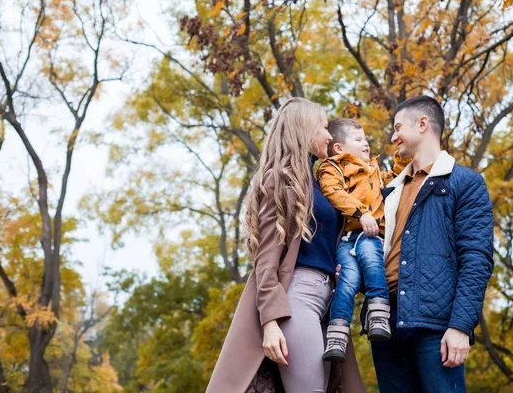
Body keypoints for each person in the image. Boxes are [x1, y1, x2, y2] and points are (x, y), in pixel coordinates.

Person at [205, 98, 365, 393]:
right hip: (297, 299)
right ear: (304, 129)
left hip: (329, 304)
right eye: (322, 127)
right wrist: (270, 322)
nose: (329, 136)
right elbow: (265, 259)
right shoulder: (282, 180)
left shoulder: (322, 182)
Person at [368, 95, 494, 392]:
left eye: (398, 127)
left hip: (436, 325)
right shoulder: (389, 192)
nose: (394, 136)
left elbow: (476, 259)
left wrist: (461, 326)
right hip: (385, 322)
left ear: (422, 124)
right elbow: (381, 252)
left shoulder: (465, 182)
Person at [316, 118, 407, 362]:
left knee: (372, 260)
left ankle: (378, 313)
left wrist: (401, 153)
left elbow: (398, 177)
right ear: (339, 148)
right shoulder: (331, 168)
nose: (366, 144)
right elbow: (333, 192)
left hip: (370, 235)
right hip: (348, 237)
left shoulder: (375, 171)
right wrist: (360, 212)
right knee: (348, 280)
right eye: (358, 140)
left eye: (366, 139)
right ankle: (337, 334)